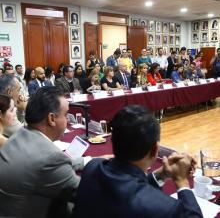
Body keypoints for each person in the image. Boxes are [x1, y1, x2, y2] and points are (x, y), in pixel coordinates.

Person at [73, 105, 203, 218]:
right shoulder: (163, 207)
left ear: (111, 139)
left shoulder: (92, 167)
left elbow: (128, 187)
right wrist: (181, 180)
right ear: (155, 149)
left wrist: (162, 174)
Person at [0, 86, 112, 218]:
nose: (66, 120)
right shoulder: (50, 157)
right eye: (65, 115)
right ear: (51, 119)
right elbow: (86, 194)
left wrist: (89, 160)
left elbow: (43, 166)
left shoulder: (18, 136)